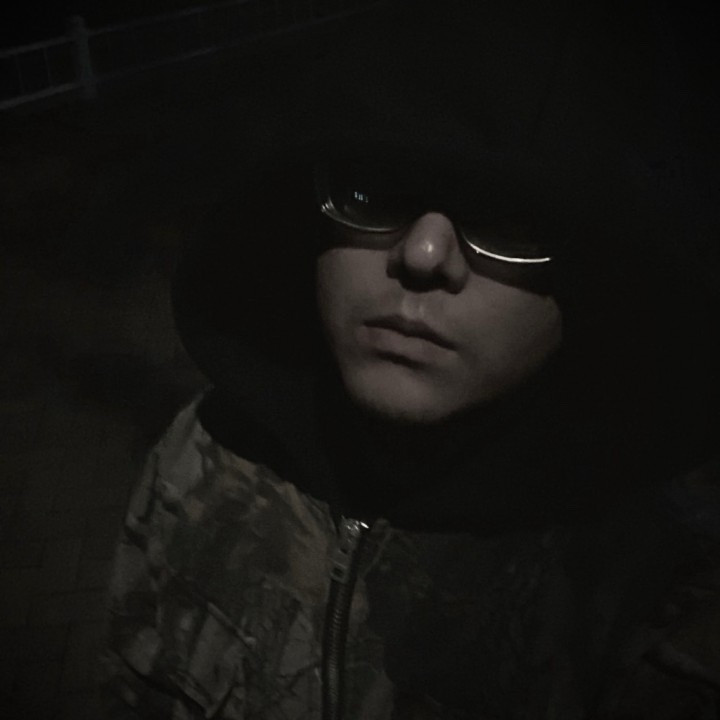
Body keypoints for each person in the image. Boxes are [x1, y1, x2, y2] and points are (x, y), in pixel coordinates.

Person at [102, 2, 720, 718]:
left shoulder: (655, 595)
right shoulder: (203, 457)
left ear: (598, 278)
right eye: (371, 192)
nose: (424, 254)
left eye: (511, 218)